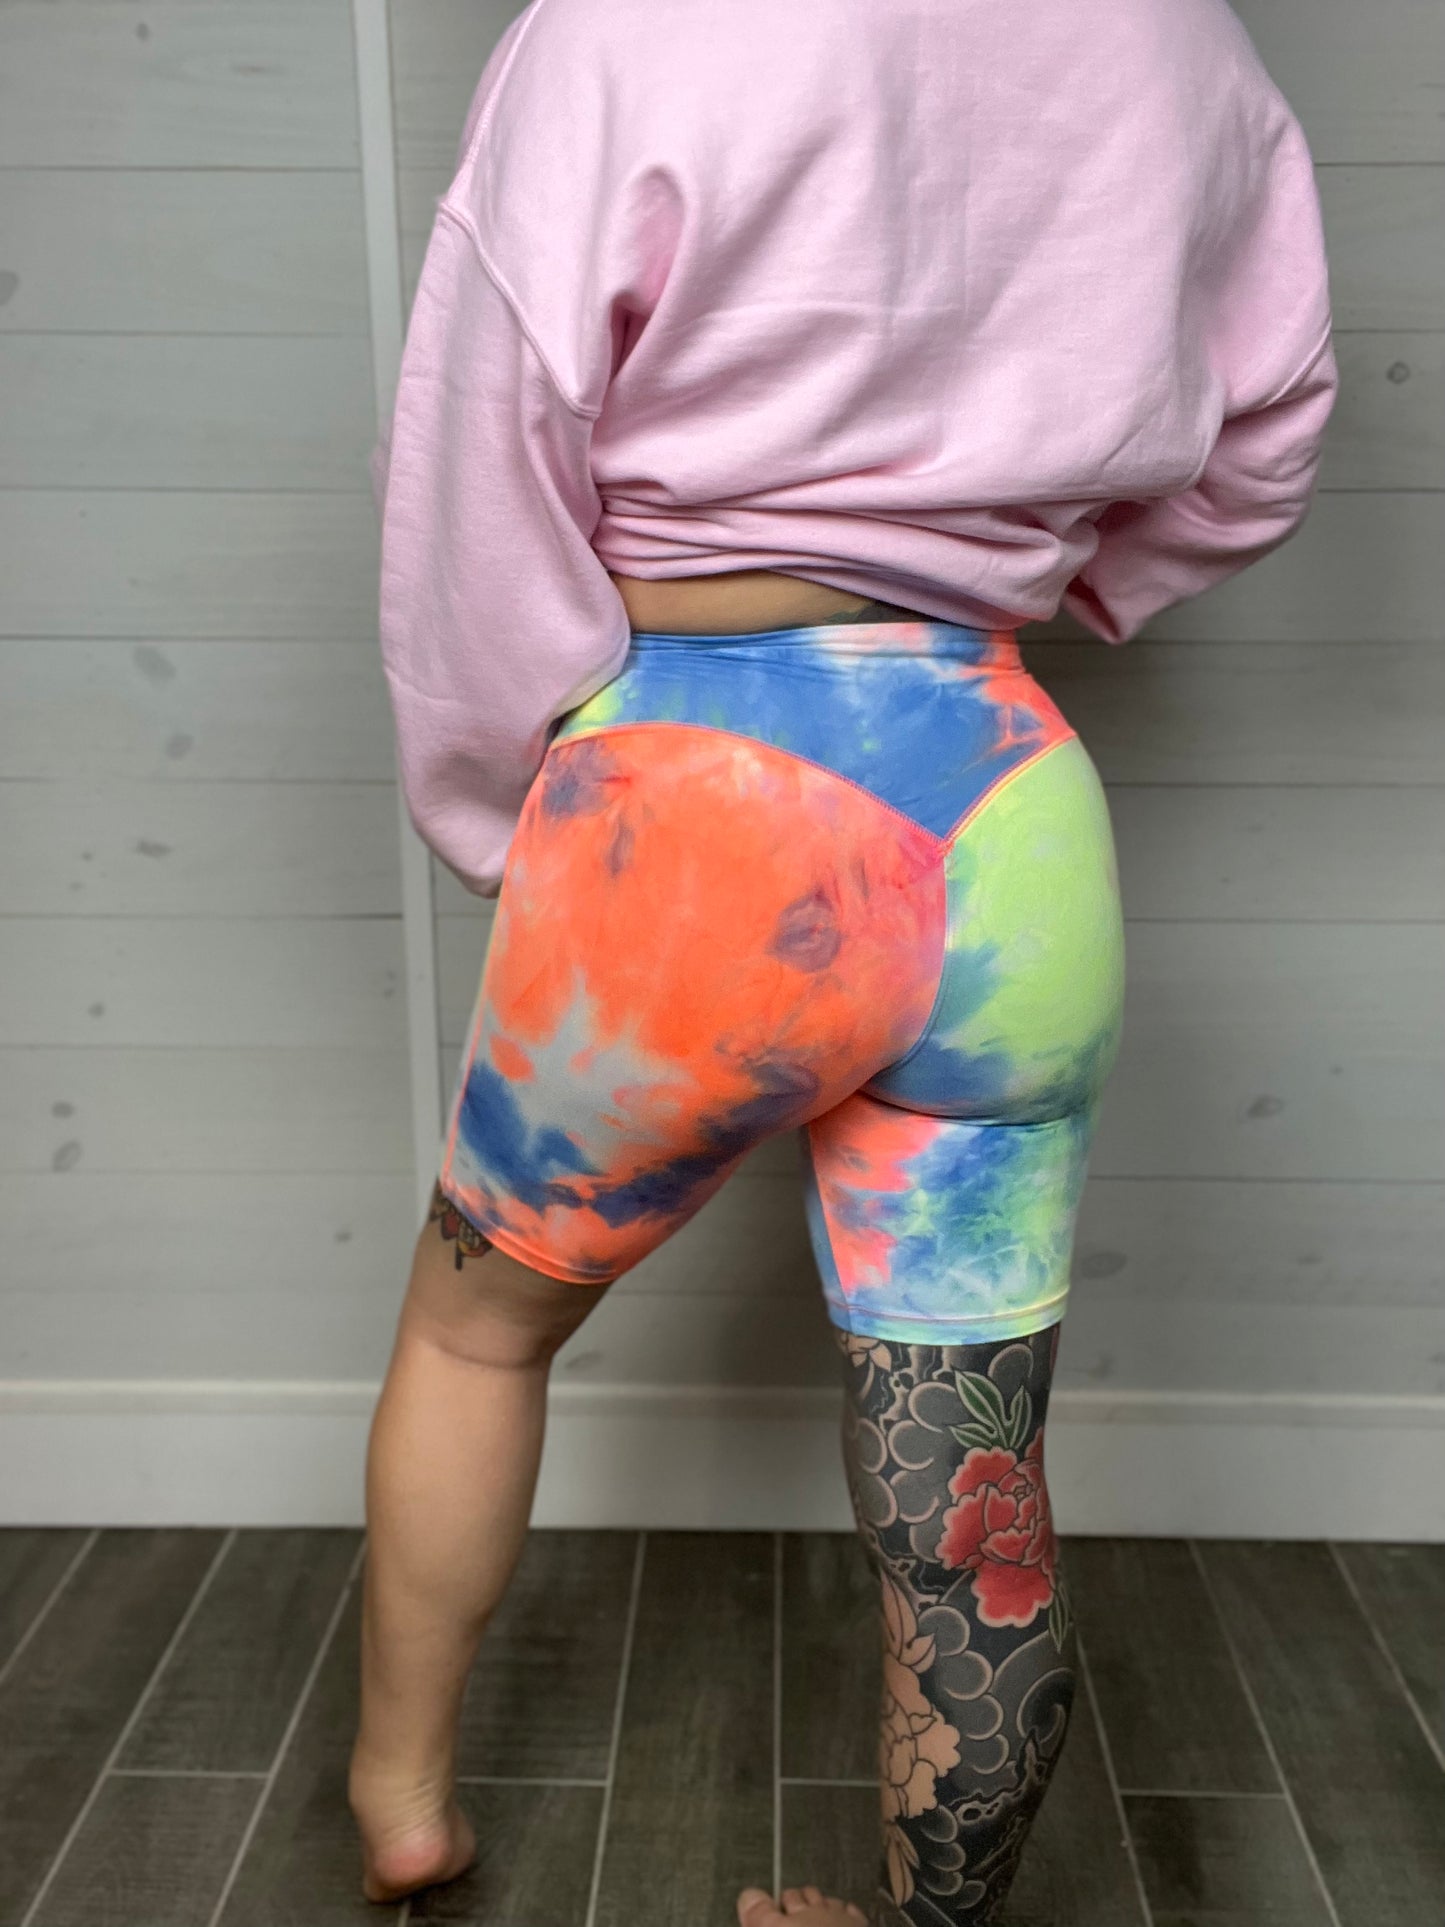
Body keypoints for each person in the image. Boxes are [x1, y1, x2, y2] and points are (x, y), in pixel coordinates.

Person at [350, 0, 1336, 1918]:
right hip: (1006, 807)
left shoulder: (624, 25)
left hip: (692, 800)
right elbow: (1273, 415)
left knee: (475, 1330)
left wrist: (505, 811)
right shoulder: (1178, 37)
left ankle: (404, 1798)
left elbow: (482, 446)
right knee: (972, 1479)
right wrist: (1066, 579)